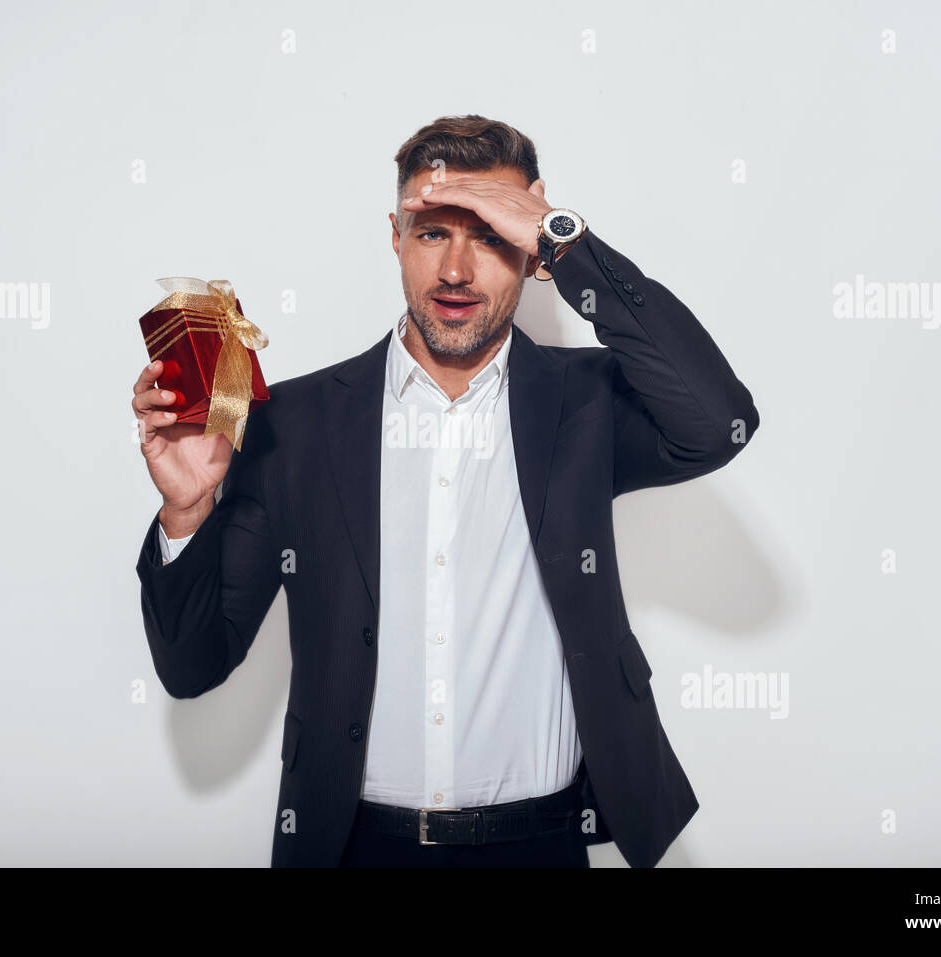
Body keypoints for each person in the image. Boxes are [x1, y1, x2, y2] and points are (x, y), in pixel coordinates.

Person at [132, 114, 761, 867]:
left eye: (492, 235)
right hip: (353, 849)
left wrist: (568, 240)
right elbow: (192, 664)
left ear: (532, 252)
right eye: (432, 232)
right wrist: (186, 509)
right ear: (394, 237)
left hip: (541, 846)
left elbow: (718, 419)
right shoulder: (296, 423)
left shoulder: (586, 406)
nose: (457, 271)